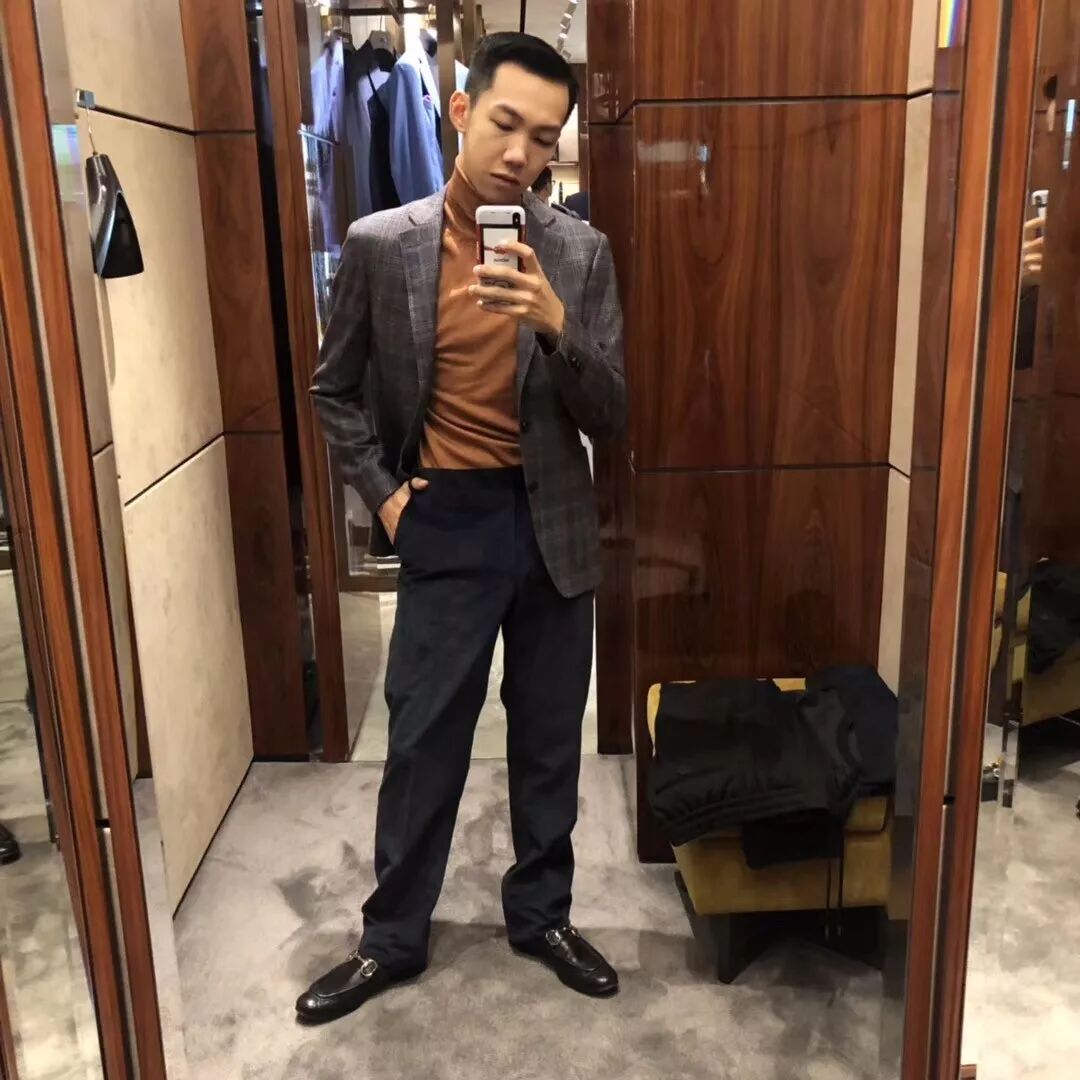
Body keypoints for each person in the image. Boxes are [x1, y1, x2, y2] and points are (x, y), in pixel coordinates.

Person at [298, 32, 626, 1023]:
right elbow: (333, 390)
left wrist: (555, 325)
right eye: (506, 124)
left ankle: (542, 916)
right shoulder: (380, 244)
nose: (522, 153)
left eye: (545, 138)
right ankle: (391, 938)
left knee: (548, 741)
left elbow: (611, 413)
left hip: (551, 522)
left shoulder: (579, 251)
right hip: (443, 516)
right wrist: (389, 499)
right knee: (424, 743)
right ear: (459, 111)